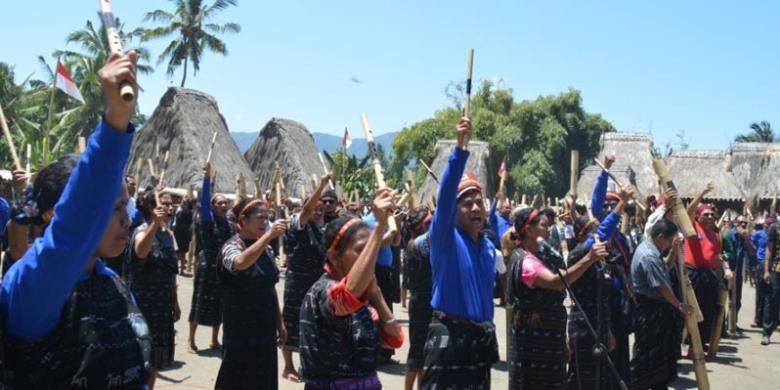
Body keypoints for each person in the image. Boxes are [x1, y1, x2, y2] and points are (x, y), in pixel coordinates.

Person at [0, 51, 154, 388]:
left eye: (125, 208)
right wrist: (116, 120)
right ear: (56, 215)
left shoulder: (111, 280)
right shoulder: (30, 287)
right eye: (112, 209)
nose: (127, 220)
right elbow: (75, 227)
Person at [421, 117, 499, 389]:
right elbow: (443, 199)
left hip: (479, 341)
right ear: (453, 213)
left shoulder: (488, 248)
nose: (476, 208)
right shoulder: (445, 239)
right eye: (468, 204)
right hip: (449, 340)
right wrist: (460, 149)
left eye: (480, 202)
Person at [299, 189, 404, 389]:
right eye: (361, 251)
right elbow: (345, 298)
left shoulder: (364, 295)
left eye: (370, 251)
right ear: (335, 256)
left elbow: (394, 340)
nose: (368, 258)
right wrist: (380, 226)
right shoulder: (322, 290)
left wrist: (377, 295)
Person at [506, 206, 607, 390]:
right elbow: (556, 282)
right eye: (544, 225)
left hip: (550, 338)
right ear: (529, 230)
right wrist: (589, 259)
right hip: (534, 342)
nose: (549, 229)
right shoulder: (526, 261)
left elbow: (560, 275)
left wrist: (562, 342)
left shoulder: (540, 255)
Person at [214, 198, 288, 389]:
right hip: (240, 326)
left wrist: (279, 322)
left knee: (263, 376)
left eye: (267, 218)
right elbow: (239, 263)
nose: (265, 222)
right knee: (237, 376)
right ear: (243, 221)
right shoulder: (231, 246)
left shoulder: (267, 249)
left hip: (265, 325)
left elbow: (270, 287)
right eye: (260, 218)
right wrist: (268, 236)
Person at [566, 185, 633, 390]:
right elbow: (605, 231)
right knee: (582, 378)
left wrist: (608, 331)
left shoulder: (598, 258)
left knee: (601, 378)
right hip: (583, 325)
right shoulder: (578, 255)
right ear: (581, 236)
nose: (598, 235)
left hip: (601, 323)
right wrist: (621, 203)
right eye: (592, 231)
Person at [630, 219, 692, 390]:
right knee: (647, 352)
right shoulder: (648, 254)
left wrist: (673, 250)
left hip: (659, 310)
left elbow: (665, 267)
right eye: (668, 240)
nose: (668, 244)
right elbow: (661, 286)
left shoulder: (653, 250)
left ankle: (658, 384)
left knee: (661, 353)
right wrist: (678, 305)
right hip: (651, 310)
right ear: (660, 236)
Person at [281, 173, 331, 382]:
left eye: (322, 209)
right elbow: (307, 210)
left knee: (312, 323)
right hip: (296, 282)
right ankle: (288, 366)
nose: (318, 212)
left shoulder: (321, 230)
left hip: (315, 282)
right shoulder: (297, 224)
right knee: (291, 322)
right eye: (315, 209)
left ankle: (307, 364)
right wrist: (321, 186)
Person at [127, 189, 180, 387]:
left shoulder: (168, 234)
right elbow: (140, 252)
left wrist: (174, 302)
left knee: (155, 359)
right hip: (144, 303)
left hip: (163, 303)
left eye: (170, 203)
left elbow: (172, 271)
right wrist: (154, 225)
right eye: (164, 203)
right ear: (151, 207)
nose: (169, 207)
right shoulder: (141, 230)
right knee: (141, 355)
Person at [187, 162, 233, 352]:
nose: (223, 205)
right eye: (219, 203)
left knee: (219, 304)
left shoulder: (229, 225)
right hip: (207, 265)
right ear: (212, 207)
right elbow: (203, 202)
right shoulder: (207, 221)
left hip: (222, 267)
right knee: (199, 301)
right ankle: (191, 339)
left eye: (225, 202)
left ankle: (215, 340)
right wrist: (207, 179)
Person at [683, 183, 730, 349]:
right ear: (697, 217)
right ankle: (688, 343)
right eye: (706, 214)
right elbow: (688, 210)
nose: (710, 216)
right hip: (692, 274)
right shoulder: (692, 228)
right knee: (692, 311)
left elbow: (716, 259)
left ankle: (700, 343)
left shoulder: (716, 236)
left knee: (707, 310)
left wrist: (720, 278)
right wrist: (703, 191)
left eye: (712, 214)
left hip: (708, 276)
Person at [403, 207, 433, 390]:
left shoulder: (421, 242)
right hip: (420, 302)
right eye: (428, 223)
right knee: (417, 351)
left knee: (426, 352)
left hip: (428, 301)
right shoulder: (417, 244)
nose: (431, 226)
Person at [723, 214, 755, 333]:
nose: (743, 225)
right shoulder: (728, 235)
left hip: (739, 273)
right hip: (727, 271)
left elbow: (752, 252)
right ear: (735, 223)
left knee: (737, 300)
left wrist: (746, 238)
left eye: (745, 223)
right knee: (723, 299)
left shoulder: (745, 237)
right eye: (740, 223)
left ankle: (732, 323)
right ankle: (722, 326)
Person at [762, 217, 780, 345]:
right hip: (776, 268)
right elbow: (769, 250)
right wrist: (766, 270)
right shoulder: (775, 227)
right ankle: (766, 332)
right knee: (772, 299)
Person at [752, 217, 770, 328]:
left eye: (769, 226)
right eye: (765, 226)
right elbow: (750, 243)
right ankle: (757, 319)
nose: (767, 228)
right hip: (761, 263)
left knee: (772, 295)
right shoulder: (759, 234)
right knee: (760, 293)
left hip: (773, 264)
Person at [172, 196, 195, 275]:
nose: (182, 204)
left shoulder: (189, 213)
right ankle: (175, 269)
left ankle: (181, 270)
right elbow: (174, 222)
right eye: (182, 202)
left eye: (184, 203)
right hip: (177, 233)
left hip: (185, 234)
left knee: (183, 252)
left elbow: (190, 224)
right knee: (177, 251)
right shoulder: (177, 211)